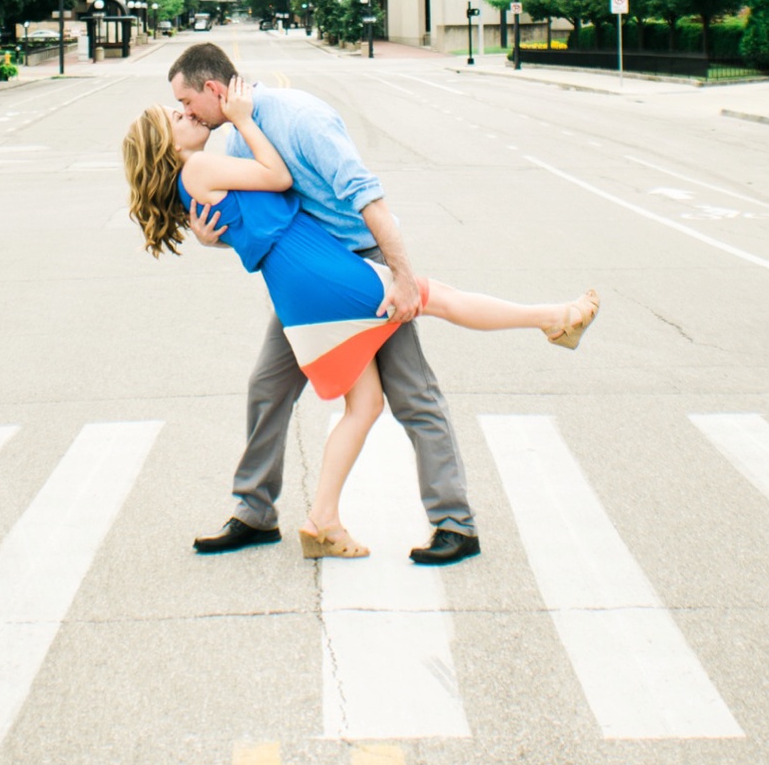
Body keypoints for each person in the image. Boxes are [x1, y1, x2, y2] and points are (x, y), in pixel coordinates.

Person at [121, 75, 598, 558]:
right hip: (322, 276)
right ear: (166, 143)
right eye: (177, 113)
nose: (187, 113)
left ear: (212, 88)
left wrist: (214, 232)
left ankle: (331, 519)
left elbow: (249, 219)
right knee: (441, 303)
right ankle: (553, 317)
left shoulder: (237, 148)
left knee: (369, 402)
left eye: (185, 104)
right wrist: (245, 122)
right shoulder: (206, 161)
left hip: (304, 284)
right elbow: (279, 181)